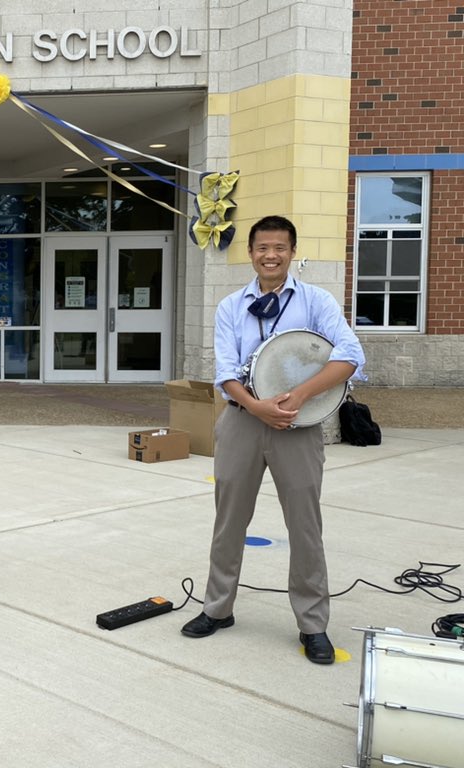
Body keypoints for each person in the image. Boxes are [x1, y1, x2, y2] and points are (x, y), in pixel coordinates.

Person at [180, 215, 365, 664]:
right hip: (243, 420)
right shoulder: (230, 306)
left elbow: (350, 355)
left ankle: (312, 624)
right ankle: (218, 608)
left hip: (298, 427)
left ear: (292, 251)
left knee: (304, 526)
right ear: (251, 252)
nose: (270, 255)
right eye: (262, 247)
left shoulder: (316, 302)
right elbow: (224, 371)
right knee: (229, 521)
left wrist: (298, 397)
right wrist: (259, 406)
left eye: (279, 247)